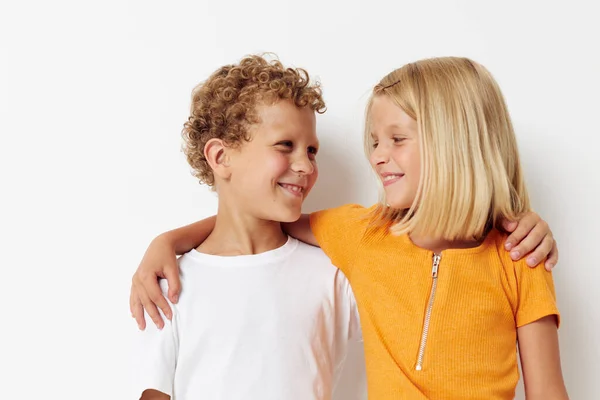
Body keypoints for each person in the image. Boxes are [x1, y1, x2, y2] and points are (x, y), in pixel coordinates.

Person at [131, 57, 565, 399]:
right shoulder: (362, 237)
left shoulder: (520, 257)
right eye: (376, 141)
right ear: (220, 156)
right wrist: (167, 240)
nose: (377, 156)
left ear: (457, 142)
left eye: (397, 139)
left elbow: (548, 391)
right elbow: (254, 220)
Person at [132, 55, 363, 400]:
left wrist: (170, 238)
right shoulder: (168, 286)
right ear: (221, 157)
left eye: (312, 151)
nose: (306, 166)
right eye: (285, 145)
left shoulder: (333, 275)